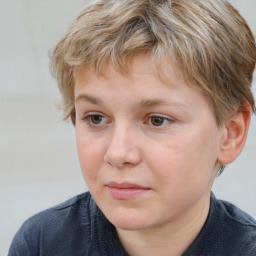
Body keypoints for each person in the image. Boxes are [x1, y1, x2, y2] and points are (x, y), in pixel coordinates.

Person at [8, 0, 256, 255]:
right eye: (96, 118)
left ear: (231, 133)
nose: (117, 154)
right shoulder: (42, 243)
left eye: (157, 120)